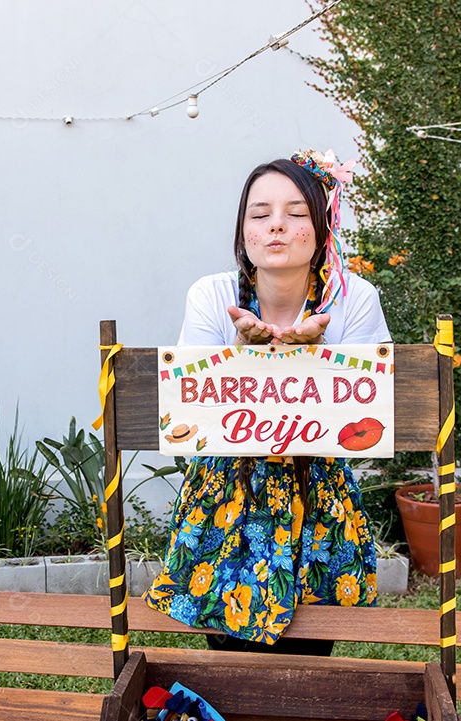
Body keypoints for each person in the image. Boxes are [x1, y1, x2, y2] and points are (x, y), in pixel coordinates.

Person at [142, 150, 391, 655]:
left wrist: (312, 359)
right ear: (243, 233)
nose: (277, 226)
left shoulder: (354, 298)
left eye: (297, 213)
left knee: (309, 647)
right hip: (226, 494)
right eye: (260, 215)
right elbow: (190, 411)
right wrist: (248, 358)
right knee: (227, 650)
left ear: (323, 229)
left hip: (317, 494)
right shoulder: (212, 296)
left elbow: (375, 416)